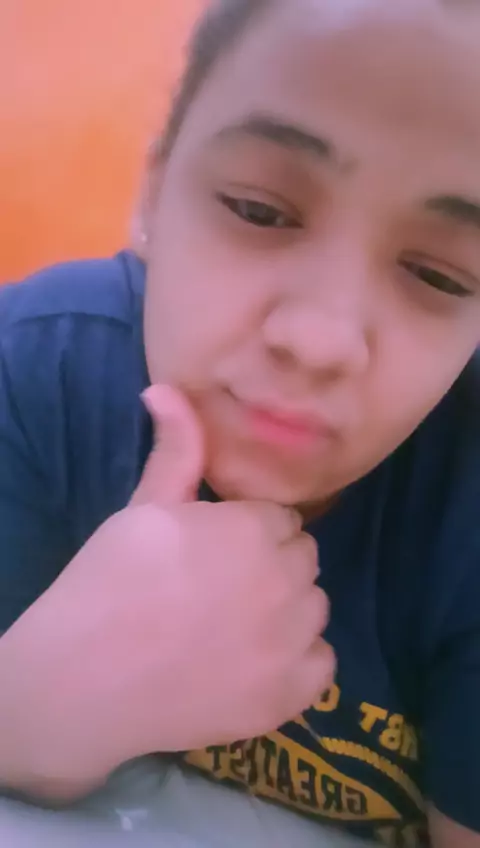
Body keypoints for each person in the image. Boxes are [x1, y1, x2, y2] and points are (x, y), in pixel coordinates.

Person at [1, 0, 480, 844]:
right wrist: (35, 713)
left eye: (438, 275)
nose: (320, 339)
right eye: (259, 210)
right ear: (153, 191)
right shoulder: (38, 372)